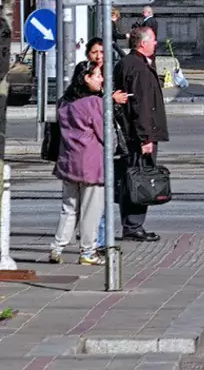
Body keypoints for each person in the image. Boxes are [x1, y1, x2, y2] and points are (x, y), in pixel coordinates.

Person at [48, 63, 107, 266]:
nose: (101, 79)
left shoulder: (64, 102)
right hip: (91, 164)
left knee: (69, 208)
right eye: (97, 76)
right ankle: (88, 251)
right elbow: (104, 133)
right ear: (86, 78)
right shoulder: (94, 103)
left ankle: (57, 247)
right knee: (91, 210)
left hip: (68, 161)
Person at [113, 26, 168, 242]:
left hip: (130, 132)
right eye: (153, 39)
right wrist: (146, 137)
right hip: (138, 135)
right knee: (140, 179)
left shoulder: (127, 63)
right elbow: (142, 105)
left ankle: (131, 225)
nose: (155, 43)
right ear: (143, 43)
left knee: (130, 177)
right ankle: (134, 225)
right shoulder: (139, 68)